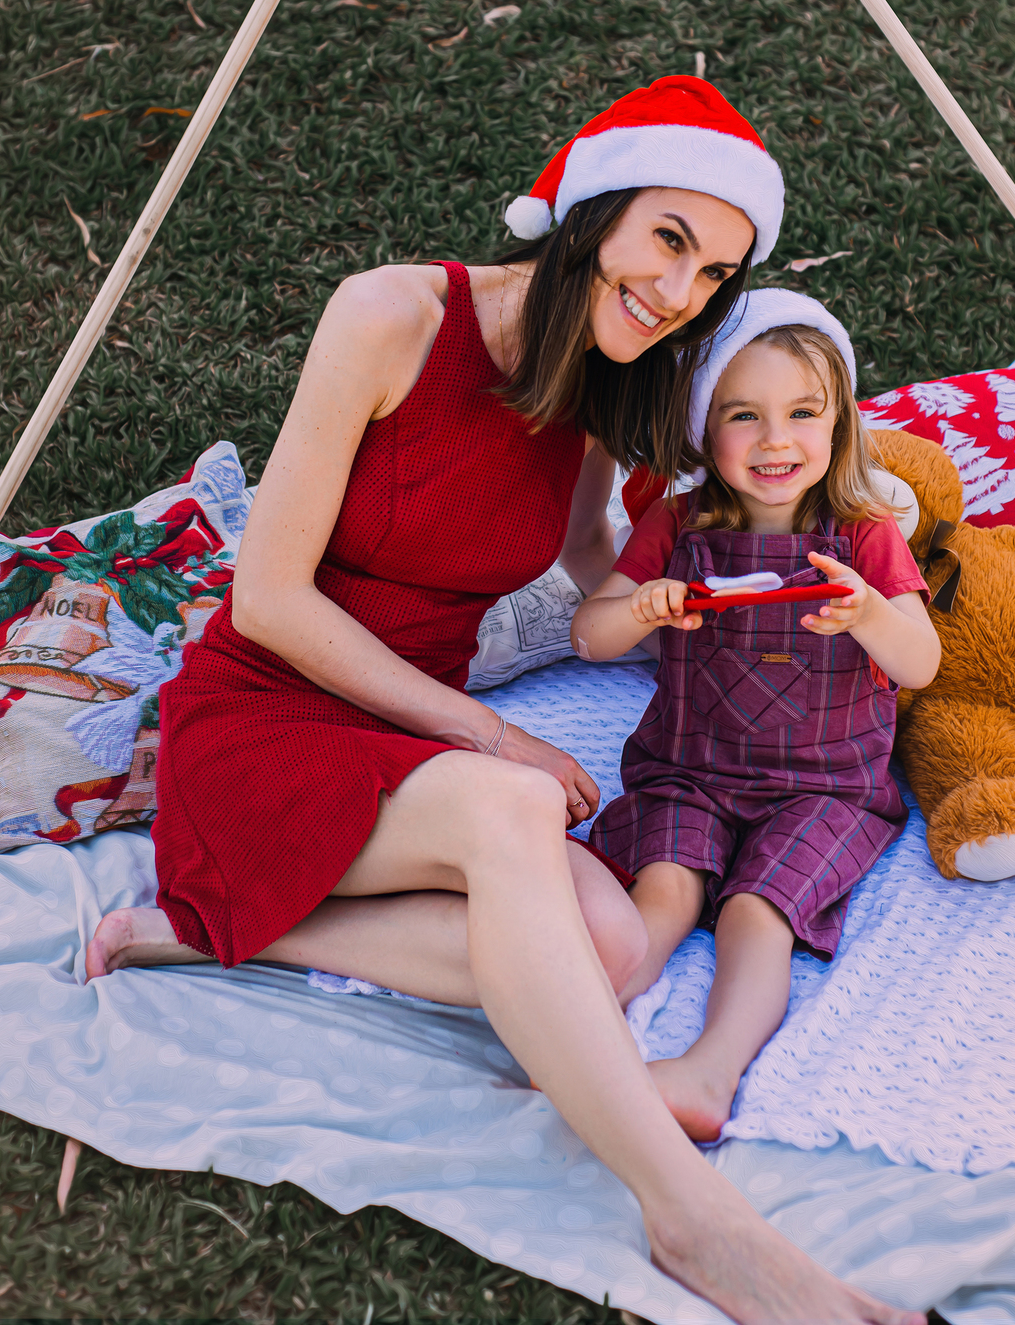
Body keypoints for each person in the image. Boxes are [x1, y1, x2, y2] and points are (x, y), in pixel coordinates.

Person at [87, 78, 925, 1325]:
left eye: (712, 273)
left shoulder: (603, 380)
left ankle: (218, 922)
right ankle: (693, 1219)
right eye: (669, 241)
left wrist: (695, 616)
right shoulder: (389, 314)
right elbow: (265, 597)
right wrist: (486, 728)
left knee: (617, 949)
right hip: (273, 705)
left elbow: (598, 556)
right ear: (593, 209)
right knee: (511, 809)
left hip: (405, 730)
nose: (678, 291)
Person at [576, 291, 941, 1144]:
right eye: (745, 415)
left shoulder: (863, 532)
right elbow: (590, 635)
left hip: (825, 789)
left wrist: (869, 615)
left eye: (803, 413)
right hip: (690, 771)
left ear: (839, 422)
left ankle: (710, 1070)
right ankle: (574, 1034)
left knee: (756, 910)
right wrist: (643, 608)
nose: (777, 440)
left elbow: (920, 661)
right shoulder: (678, 523)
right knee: (663, 895)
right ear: (705, 428)